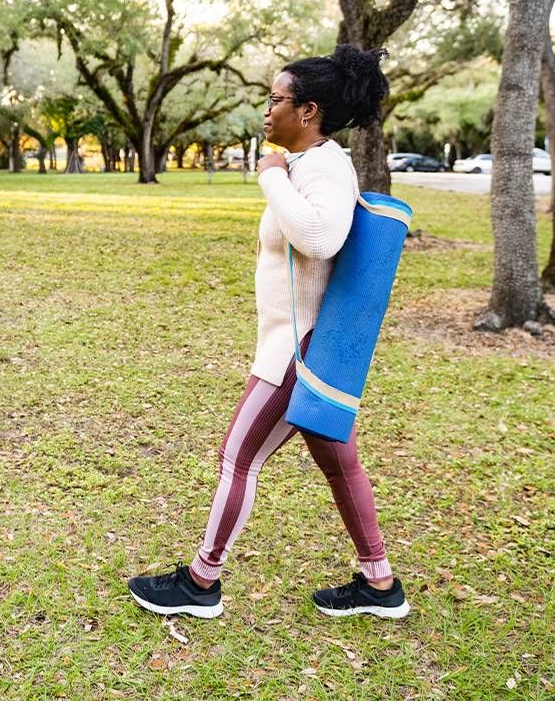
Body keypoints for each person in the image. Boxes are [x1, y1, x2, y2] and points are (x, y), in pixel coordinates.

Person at [127, 45, 409, 620]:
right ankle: (379, 584)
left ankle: (201, 583)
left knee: (238, 458)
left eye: (275, 99)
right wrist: (281, 175)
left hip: (298, 351)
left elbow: (321, 237)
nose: (266, 110)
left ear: (307, 111)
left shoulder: (322, 168)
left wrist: (270, 178)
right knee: (339, 463)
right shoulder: (306, 164)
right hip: (296, 340)